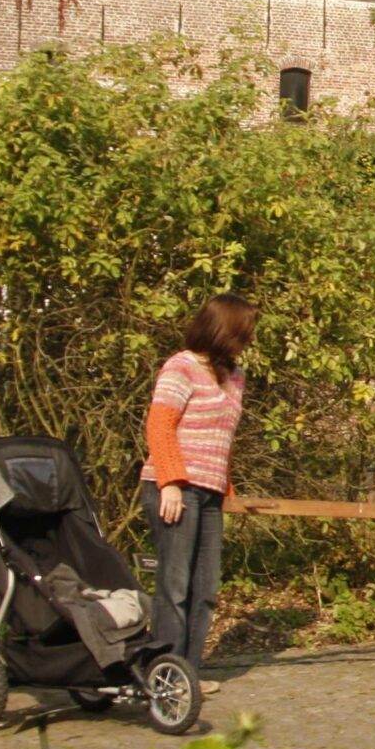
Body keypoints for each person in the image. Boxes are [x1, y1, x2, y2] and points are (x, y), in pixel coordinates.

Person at [141, 293, 254, 694]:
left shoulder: (235, 377)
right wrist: (170, 481)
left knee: (204, 588)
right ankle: (165, 677)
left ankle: (187, 674)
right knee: (174, 588)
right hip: (175, 488)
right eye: (244, 332)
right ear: (223, 330)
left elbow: (223, 436)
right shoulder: (181, 366)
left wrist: (226, 483)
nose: (248, 339)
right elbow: (160, 425)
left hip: (209, 492)